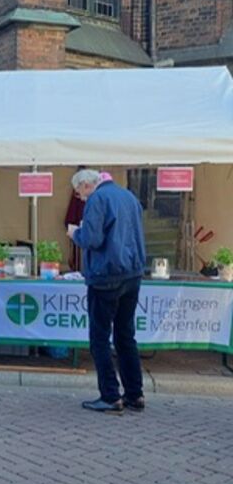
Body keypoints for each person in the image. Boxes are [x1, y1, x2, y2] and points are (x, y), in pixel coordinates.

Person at [67, 169, 146, 414]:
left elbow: (91, 239)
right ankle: (135, 394)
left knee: (100, 338)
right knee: (125, 335)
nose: (80, 198)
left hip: (106, 275)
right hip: (132, 273)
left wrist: (75, 233)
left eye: (79, 193)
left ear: (86, 185)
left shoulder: (97, 199)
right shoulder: (129, 196)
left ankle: (111, 396)